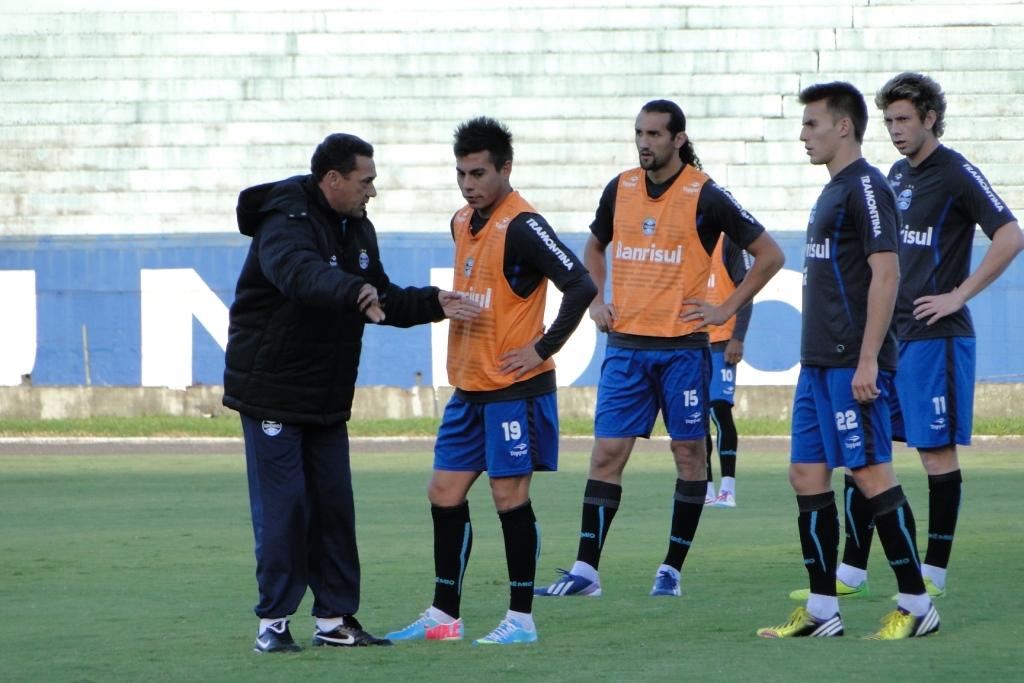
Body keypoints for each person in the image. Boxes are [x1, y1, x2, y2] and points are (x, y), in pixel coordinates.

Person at [223, 133, 469, 653]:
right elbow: (300, 275)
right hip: (272, 393)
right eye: (366, 181)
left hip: (326, 398)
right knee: (285, 509)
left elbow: (379, 295)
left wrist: (434, 303)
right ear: (333, 180)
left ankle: (334, 621)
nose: (372, 192)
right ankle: (273, 624)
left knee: (334, 508)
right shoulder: (283, 221)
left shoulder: (357, 227)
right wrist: (353, 291)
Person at [534, 99, 784, 599]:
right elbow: (594, 246)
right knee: (606, 454)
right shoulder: (620, 187)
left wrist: (725, 308)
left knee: (689, 454)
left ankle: (671, 569)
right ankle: (586, 571)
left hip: (683, 351)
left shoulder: (705, 194)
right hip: (626, 348)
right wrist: (597, 300)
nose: (644, 143)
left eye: (654, 134)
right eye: (639, 134)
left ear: (678, 139)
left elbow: (770, 254)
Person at [385, 117, 596, 645]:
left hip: (513, 390)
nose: (468, 184)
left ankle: (521, 619)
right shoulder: (461, 220)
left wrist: (542, 348)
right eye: (461, 174)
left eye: (478, 173)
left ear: (505, 168)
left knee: (508, 496)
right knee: (443, 492)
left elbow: (581, 283)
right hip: (469, 386)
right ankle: (445, 616)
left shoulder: (524, 225)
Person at [824, 72, 1023, 601]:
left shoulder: (956, 172)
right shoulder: (895, 174)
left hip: (937, 339)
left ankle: (934, 571)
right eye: (888, 120)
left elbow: (1011, 235)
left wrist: (959, 294)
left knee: (934, 454)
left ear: (930, 118)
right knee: (866, 450)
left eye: (904, 120)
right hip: (890, 339)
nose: (895, 130)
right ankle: (852, 571)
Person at [757, 82, 939, 640]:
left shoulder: (866, 187)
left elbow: (887, 274)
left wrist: (868, 361)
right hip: (818, 363)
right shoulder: (834, 190)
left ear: (842, 126)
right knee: (806, 474)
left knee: (870, 472)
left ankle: (918, 605)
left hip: (849, 363)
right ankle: (821, 610)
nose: (803, 135)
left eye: (811, 123)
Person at [703, 234, 754, 508]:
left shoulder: (728, 241)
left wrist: (738, 338)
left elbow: (746, 290)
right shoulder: (684, 235)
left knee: (719, 410)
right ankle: (706, 489)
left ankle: (728, 489)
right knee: (696, 418)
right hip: (691, 343)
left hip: (721, 343)